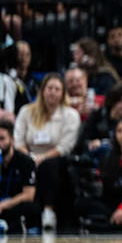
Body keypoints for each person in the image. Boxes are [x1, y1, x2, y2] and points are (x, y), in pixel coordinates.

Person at [14, 73, 80, 231]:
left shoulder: (71, 115)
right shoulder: (26, 112)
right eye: (49, 88)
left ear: (63, 93)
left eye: (57, 89)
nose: (53, 92)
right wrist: (30, 158)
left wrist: (41, 158)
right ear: (42, 90)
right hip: (27, 157)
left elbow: (66, 146)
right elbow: (18, 141)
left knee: (49, 166)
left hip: (57, 161)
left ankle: (49, 210)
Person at [0, 120, 40, 234]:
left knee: (30, 208)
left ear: (11, 139)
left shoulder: (25, 161)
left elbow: (29, 195)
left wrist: (4, 204)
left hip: (14, 204)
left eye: (2, 139)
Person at [75, 83, 122, 160]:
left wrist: (104, 143)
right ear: (113, 100)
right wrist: (91, 143)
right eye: (121, 102)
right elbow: (82, 140)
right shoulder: (97, 115)